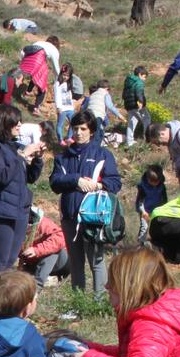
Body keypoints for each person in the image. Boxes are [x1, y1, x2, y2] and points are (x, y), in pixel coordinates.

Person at [50, 111, 121, 298]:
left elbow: (115, 182)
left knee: (96, 260)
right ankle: (78, 302)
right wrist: (76, 180)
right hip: (69, 215)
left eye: (83, 129)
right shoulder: (63, 157)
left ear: (91, 131)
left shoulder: (103, 154)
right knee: (75, 261)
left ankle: (99, 301)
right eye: (75, 128)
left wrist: (98, 185)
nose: (79, 132)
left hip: (94, 217)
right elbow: (54, 182)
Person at [0, 104, 44, 287]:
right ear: (4, 124)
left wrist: (37, 159)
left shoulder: (13, 147)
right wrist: (22, 155)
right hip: (0, 209)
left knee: (9, 262)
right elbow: (2, 176)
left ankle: (1, 304)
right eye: (15, 122)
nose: (20, 125)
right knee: (0, 260)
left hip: (19, 210)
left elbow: (29, 177)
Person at [20, 205, 68, 287]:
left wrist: (36, 250)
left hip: (61, 263)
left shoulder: (43, 223)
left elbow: (60, 238)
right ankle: (48, 278)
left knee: (52, 250)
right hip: (35, 263)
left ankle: (37, 285)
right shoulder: (17, 226)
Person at [18, 36, 61, 112]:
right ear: (57, 45)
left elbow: (24, 52)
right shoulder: (54, 50)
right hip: (38, 59)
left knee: (36, 75)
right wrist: (58, 79)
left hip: (27, 58)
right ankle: (36, 108)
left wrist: (22, 61)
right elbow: (56, 69)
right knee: (42, 86)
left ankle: (27, 92)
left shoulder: (39, 42)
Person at [83, 79, 125, 146]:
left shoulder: (93, 94)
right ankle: (95, 147)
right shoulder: (105, 94)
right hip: (97, 115)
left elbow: (84, 107)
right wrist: (120, 116)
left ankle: (88, 144)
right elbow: (110, 106)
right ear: (107, 88)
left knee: (93, 130)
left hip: (88, 115)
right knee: (97, 133)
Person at [135, 163, 168, 244]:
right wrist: (143, 212)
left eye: (157, 181)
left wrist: (164, 209)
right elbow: (140, 201)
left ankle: (156, 244)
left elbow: (164, 199)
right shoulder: (143, 187)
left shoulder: (161, 186)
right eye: (152, 181)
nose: (155, 183)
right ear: (148, 179)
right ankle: (141, 245)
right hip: (145, 210)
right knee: (144, 227)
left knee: (157, 227)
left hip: (157, 210)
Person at [122, 66, 150, 147]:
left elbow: (124, 94)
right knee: (146, 119)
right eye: (144, 77)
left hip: (128, 105)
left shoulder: (128, 81)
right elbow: (139, 91)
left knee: (131, 123)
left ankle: (129, 141)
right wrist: (141, 101)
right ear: (140, 74)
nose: (145, 79)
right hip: (136, 104)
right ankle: (147, 138)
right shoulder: (139, 81)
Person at [53, 65, 78, 144]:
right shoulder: (57, 84)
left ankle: (69, 137)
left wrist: (72, 106)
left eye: (67, 76)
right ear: (61, 74)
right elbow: (57, 96)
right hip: (62, 108)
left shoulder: (69, 83)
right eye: (64, 75)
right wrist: (58, 107)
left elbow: (70, 95)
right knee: (60, 124)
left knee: (73, 122)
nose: (65, 77)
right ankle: (60, 140)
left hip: (69, 107)